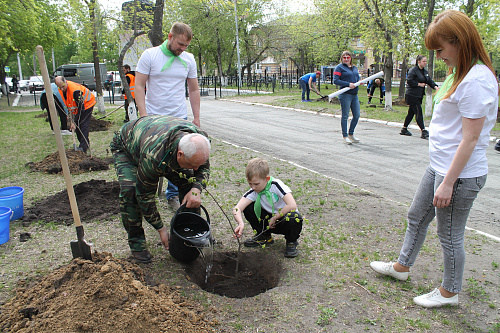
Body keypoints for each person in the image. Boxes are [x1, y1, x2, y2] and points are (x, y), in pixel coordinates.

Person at [370, 9, 498, 308]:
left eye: (441, 48)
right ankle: (402, 267)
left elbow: (470, 139)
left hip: (460, 175)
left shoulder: (477, 80)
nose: (438, 56)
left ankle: (449, 292)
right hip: (440, 167)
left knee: (450, 235)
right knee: (417, 215)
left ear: (461, 41)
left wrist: (448, 183)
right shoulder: (460, 73)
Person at [110, 115, 210, 263]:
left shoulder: (199, 141)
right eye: (193, 164)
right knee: (130, 191)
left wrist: (196, 189)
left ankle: (192, 236)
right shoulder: (153, 156)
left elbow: (203, 168)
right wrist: (160, 228)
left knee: (189, 186)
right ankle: (137, 244)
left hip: (163, 144)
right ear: (180, 154)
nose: (196, 168)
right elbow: (144, 196)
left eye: (198, 164)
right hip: (127, 147)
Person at [135, 22, 201, 211]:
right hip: (154, 118)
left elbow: (194, 89)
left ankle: (172, 195)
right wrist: (143, 116)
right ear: (170, 37)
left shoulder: (189, 59)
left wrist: (196, 117)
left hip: (179, 118)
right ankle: (147, 194)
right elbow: (139, 85)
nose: (182, 49)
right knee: (152, 157)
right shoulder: (150, 55)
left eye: (186, 46)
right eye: (180, 44)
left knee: (181, 158)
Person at [233, 158, 303, 258]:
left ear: (266, 179)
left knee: (294, 217)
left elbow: (292, 205)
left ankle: (291, 241)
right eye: (250, 184)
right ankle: (264, 236)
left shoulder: (276, 185)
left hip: (283, 220)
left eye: (256, 184)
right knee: (248, 206)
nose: (253, 187)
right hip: (267, 222)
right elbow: (237, 209)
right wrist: (240, 223)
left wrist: (275, 218)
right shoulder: (254, 191)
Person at [401, 55, 439, 139]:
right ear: (419, 62)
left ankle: (404, 129)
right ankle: (423, 130)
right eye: (424, 61)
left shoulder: (424, 72)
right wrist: (418, 84)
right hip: (412, 95)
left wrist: (435, 87)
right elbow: (410, 81)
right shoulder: (413, 70)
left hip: (419, 95)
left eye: (426, 61)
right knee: (418, 111)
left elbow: (429, 80)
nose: (425, 63)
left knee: (411, 113)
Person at [55, 76, 95, 153]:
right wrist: (70, 117)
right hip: (77, 108)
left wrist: (74, 122)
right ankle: (84, 144)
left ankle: (83, 148)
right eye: (60, 87)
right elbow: (69, 103)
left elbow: (81, 108)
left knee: (83, 125)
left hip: (87, 105)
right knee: (77, 126)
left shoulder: (75, 91)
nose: (62, 89)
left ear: (66, 82)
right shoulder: (61, 89)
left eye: (63, 86)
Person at [333, 50, 361, 145]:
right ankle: (345, 136)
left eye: (348, 57)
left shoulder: (354, 68)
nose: (346, 59)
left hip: (354, 94)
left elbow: (357, 78)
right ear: (342, 58)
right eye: (344, 57)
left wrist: (359, 82)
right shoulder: (339, 67)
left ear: (350, 58)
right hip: (345, 94)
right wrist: (348, 84)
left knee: (356, 115)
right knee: (345, 116)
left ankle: (351, 134)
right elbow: (336, 80)